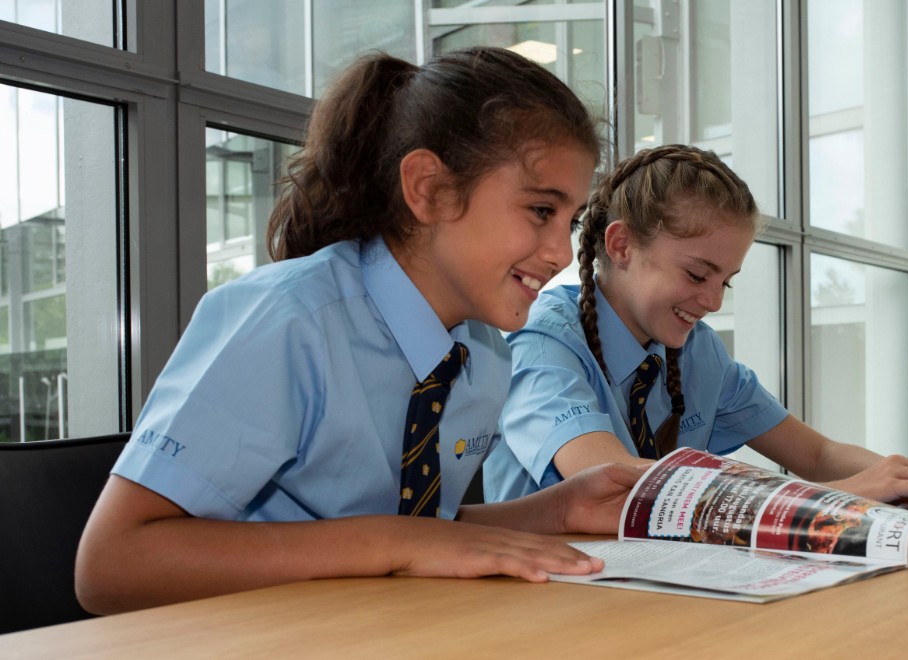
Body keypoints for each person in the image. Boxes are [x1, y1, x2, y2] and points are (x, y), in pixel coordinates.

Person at [75, 47, 645, 615]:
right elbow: (110, 564)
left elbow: (421, 532)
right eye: (542, 211)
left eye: (570, 221)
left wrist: (556, 511)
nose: (559, 253)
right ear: (429, 188)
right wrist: (396, 541)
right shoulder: (288, 321)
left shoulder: (484, 356)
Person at [483, 144, 908, 515]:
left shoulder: (697, 351)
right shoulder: (543, 343)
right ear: (620, 247)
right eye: (697, 274)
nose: (712, 301)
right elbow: (615, 483)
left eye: (727, 281)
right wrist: (839, 497)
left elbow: (816, 454)